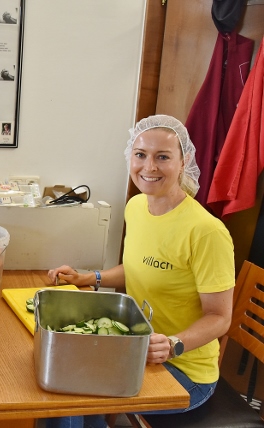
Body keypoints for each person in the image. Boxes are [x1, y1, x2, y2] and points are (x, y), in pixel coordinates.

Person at [46, 115, 235, 428]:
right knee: (61, 372)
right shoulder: (136, 207)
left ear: (184, 161)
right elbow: (139, 268)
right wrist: (89, 278)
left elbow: (220, 318)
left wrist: (172, 344)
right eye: (140, 155)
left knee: (69, 394)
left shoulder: (206, 231)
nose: (149, 167)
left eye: (163, 157)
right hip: (135, 348)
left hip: (184, 371)